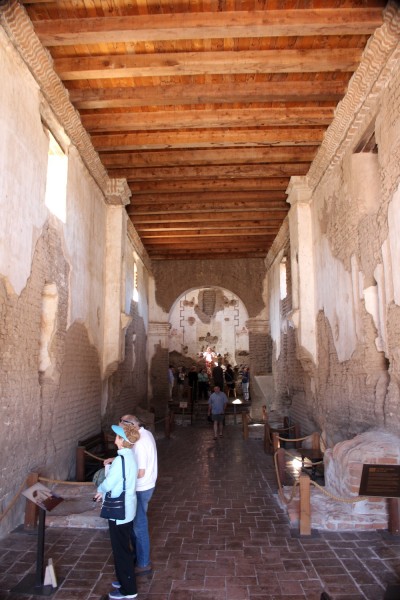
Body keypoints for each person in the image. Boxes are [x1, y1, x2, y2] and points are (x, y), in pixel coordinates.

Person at [94, 422, 140, 600]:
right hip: (128, 508)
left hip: (119, 511)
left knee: (121, 550)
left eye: (117, 436)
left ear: (123, 440)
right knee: (123, 546)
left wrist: (100, 490)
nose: (114, 439)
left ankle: (129, 589)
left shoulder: (121, 460)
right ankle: (123, 579)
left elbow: (109, 483)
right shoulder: (129, 457)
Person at [120, 414, 158, 576]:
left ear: (130, 426)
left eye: (122, 428)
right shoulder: (145, 433)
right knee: (137, 523)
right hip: (146, 485)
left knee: (139, 525)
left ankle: (143, 563)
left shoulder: (141, 443)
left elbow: (140, 472)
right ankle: (138, 557)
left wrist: (119, 476)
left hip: (141, 487)